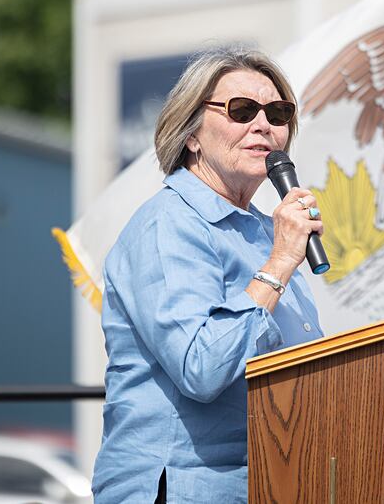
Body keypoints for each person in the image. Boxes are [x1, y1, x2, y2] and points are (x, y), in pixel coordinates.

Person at [92, 46, 325, 503]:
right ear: (192, 134)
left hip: (269, 482)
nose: (264, 124)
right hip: (182, 486)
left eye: (278, 113)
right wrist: (280, 263)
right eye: (242, 110)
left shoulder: (268, 233)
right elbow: (201, 368)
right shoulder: (168, 225)